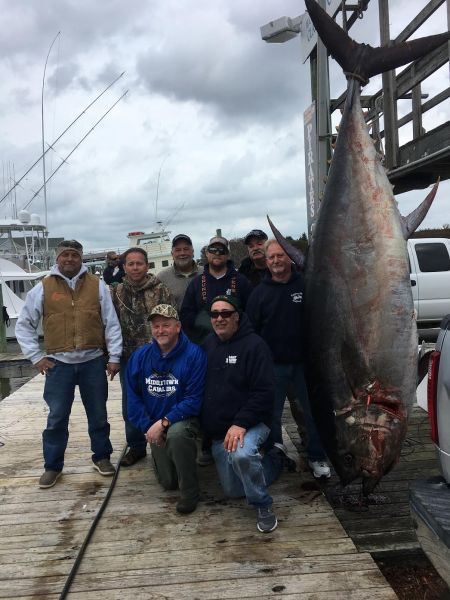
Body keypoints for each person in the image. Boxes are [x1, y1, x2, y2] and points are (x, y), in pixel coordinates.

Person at [16, 239, 122, 489]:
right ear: (57, 258)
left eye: (74, 255)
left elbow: (112, 323)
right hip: (58, 365)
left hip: (94, 362)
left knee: (98, 415)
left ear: (81, 258)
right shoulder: (42, 287)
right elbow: (24, 325)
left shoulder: (98, 286)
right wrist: (36, 356)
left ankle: (102, 456)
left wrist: (115, 357)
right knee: (56, 417)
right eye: (65, 255)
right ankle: (52, 466)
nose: (70, 259)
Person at [202, 295, 288, 533]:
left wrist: (240, 423)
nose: (219, 318)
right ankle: (272, 459)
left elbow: (265, 393)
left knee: (241, 455)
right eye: (214, 314)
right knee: (232, 490)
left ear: (237, 316)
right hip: (220, 430)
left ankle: (263, 504)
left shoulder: (255, 345)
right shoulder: (207, 344)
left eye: (226, 313)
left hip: (251, 423)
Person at [246, 239, 331, 479]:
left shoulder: (306, 285)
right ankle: (276, 454)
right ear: (266, 260)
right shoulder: (259, 294)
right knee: (271, 414)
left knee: (312, 412)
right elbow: (251, 330)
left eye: (280, 256)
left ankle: (317, 456)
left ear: (289, 258)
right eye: (271, 257)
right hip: (272, 365)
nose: (275, 261)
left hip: (305, 364)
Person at [126, 304, 207, 514]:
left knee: (177, 435)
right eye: (156, 326)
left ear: (178, 327)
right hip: (153, 423)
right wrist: (148, 426)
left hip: (184, 418)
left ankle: (190, 492)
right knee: (168, 482)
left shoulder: (195, 354)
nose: (160, 331)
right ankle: (169, 461)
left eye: (166, 325)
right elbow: (132, 398)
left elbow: (194, 399)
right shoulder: (140, 356)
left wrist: (164, 423)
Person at [112, 247, 173, 467]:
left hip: (159, 356)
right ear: (124, 267)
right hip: (129, 358)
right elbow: (110, 326)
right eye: (130, 263)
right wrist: (112, 357)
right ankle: (136, 446)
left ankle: (164, 443)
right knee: (131, 405)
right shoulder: (116, 292)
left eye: (139, 263)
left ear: (146, 266)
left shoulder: (160, 289)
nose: (135, 267)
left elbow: (170, 322)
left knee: (162, 399)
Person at [180, 235, 252, 344]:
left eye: (222, 250)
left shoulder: (242, 281)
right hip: (204, 345)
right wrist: (203, 324)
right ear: (207, 253)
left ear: (228, 255)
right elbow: (185, 315)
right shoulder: (196, 283)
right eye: (213, 249)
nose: (217, 253)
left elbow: (251, 313)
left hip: (237, 343)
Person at [156, 234, 203, 311]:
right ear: (172, 254)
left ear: (193, 252)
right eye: (178, 250)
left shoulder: (205, 273)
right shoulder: (161, 278)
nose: (182, 253)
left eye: (186, 249)